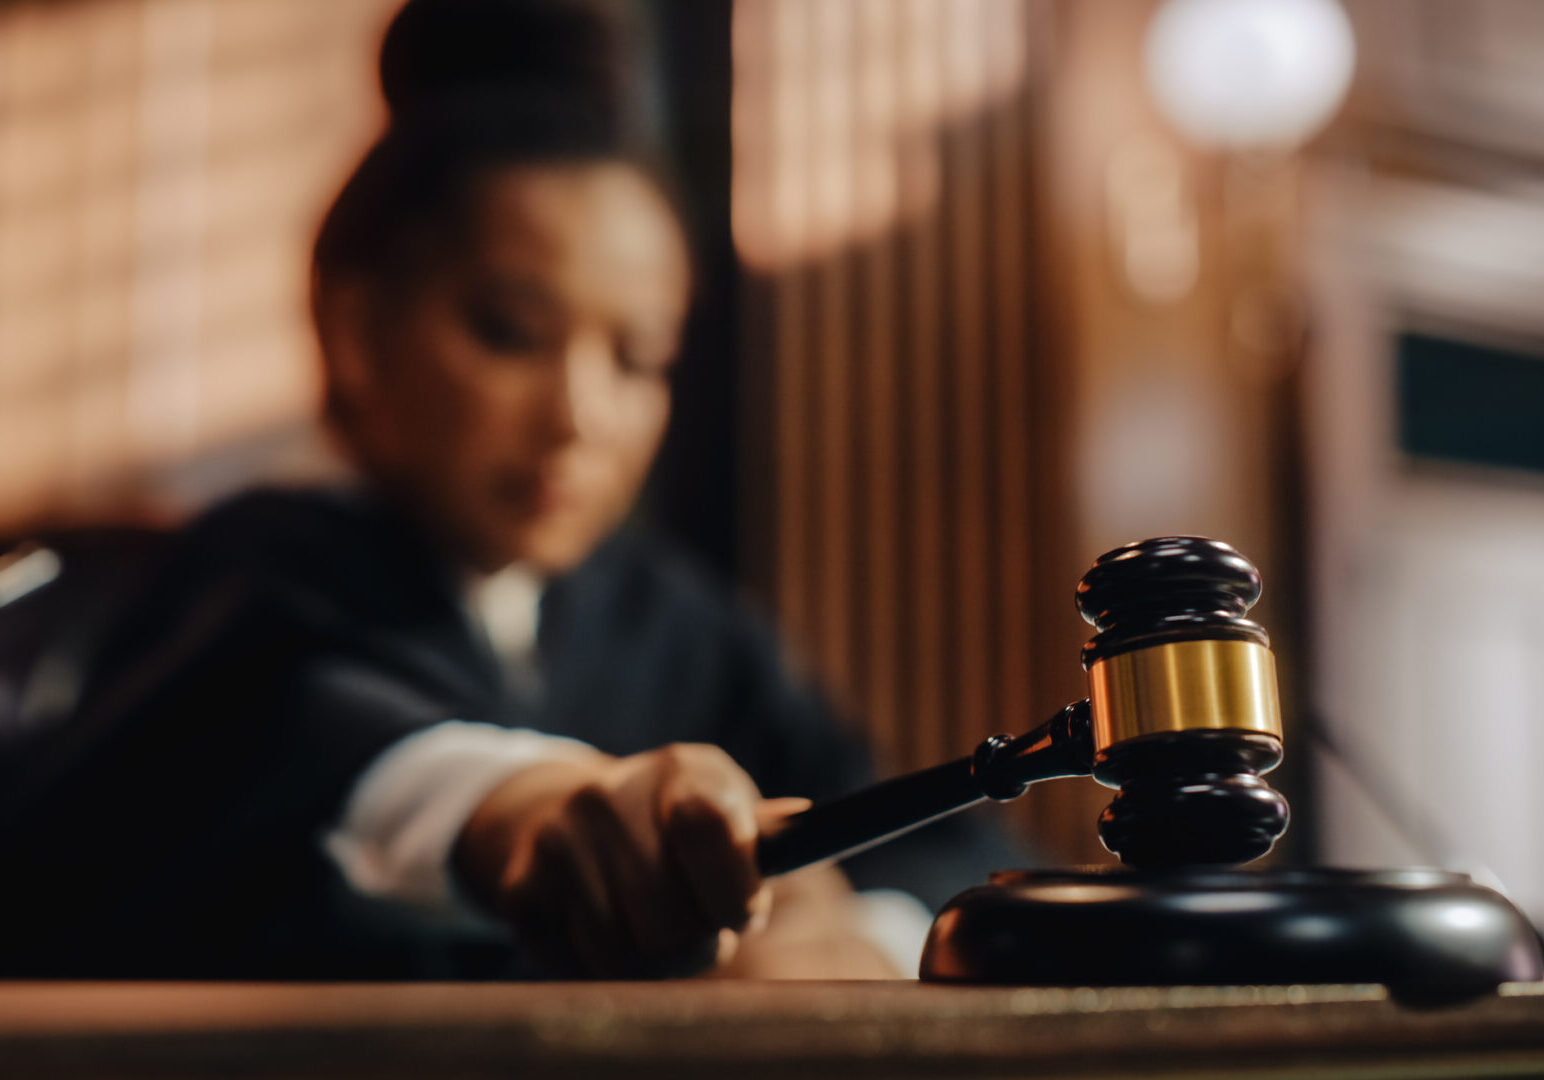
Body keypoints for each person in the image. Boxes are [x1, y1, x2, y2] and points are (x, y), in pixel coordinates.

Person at [0, 0, 1019, 980]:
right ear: (355, 332)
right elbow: (325, 740)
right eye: (512, 334)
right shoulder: (245, 578)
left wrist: (867, 941)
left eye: (637, 358)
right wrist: (536, 810)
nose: (579, 415)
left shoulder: (662, 615)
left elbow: (944, 835)